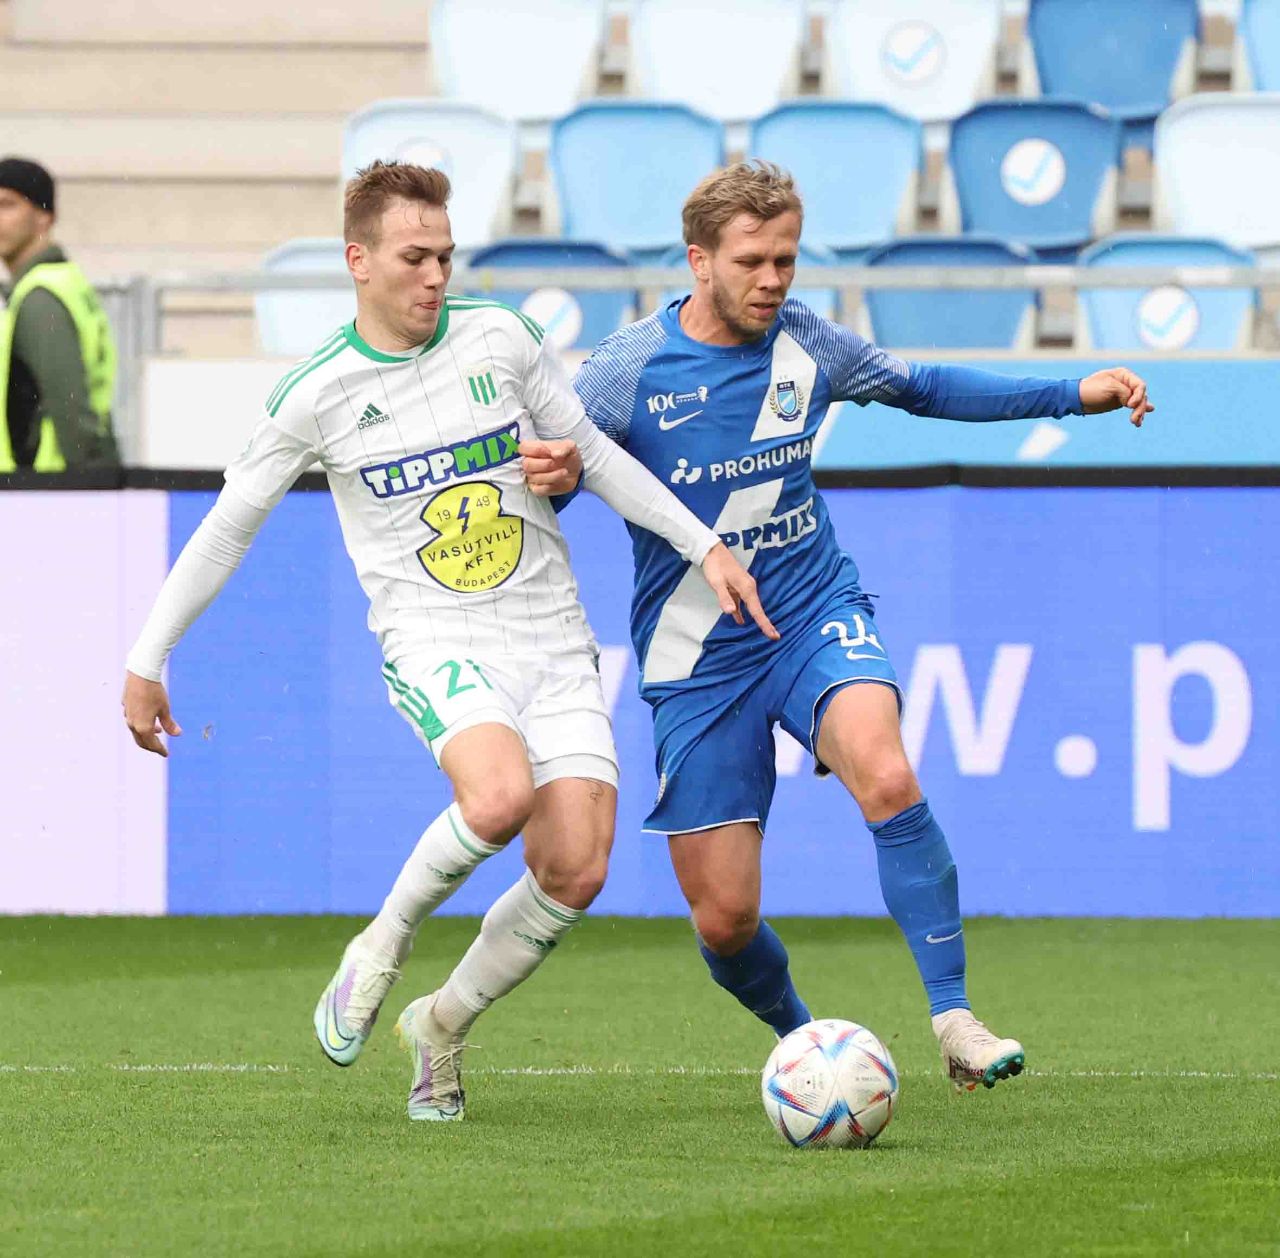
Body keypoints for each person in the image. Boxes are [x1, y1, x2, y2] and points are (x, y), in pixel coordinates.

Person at [121, 160, 774, 1122]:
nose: (435, 275)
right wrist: (147, 657)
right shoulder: (318, 393)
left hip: (553, 637)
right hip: (435, 639)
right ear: (359, 261)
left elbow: (591, 455)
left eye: (445, 256)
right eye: (414, 257)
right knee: (498, 797)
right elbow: (226, 531)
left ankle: (442, 1024)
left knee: (577, 869)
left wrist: (702, 544)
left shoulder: (500, 338)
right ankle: (380, 946)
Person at [529, 161, 1153, 1092]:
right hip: (697, 657)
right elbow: (558, 473)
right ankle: (811, 1049)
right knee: (725, 921)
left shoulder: (809, 343)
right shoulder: (627, 371)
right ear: (698, 261)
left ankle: (955, 1019)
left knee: (888, 773)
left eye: (786, 259)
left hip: (812, 611)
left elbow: (924, 385)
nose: (773, 280)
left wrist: (1070, 392)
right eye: (752, 261)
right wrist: (558, 478)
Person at [0, 157, 119, 471]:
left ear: (44, 216)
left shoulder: (41, 297)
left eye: (7, 205)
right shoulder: (64, 282)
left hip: (48, 486)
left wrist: (93, 483)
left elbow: (72, 413)